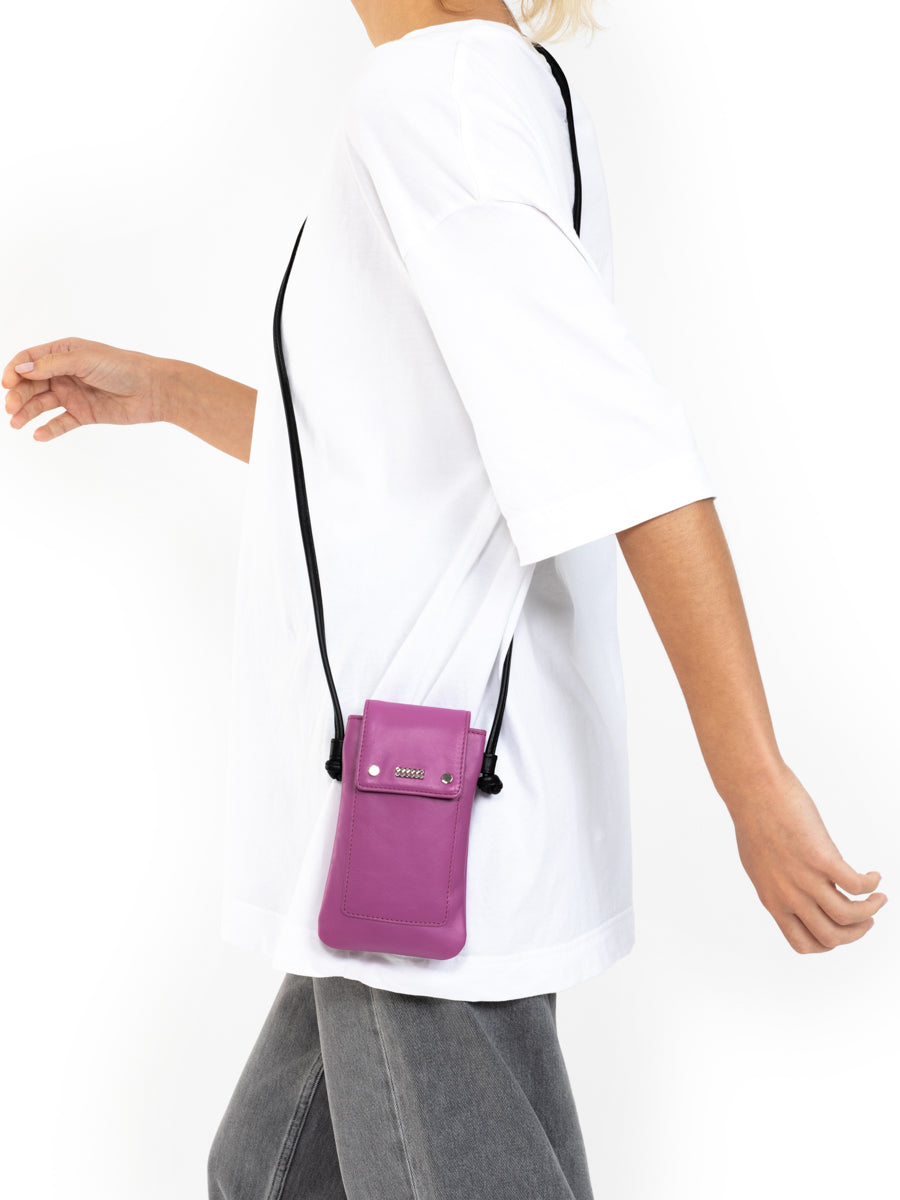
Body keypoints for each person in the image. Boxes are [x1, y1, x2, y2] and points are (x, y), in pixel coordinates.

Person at [2, 2, 888, 1197]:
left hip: (423, 811)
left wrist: (752, 784)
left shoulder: (431, 103)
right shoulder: (505, 89)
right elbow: (398, 461)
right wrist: (165, 392)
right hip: (418, 796)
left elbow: (625, 451)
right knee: (266, 1171)